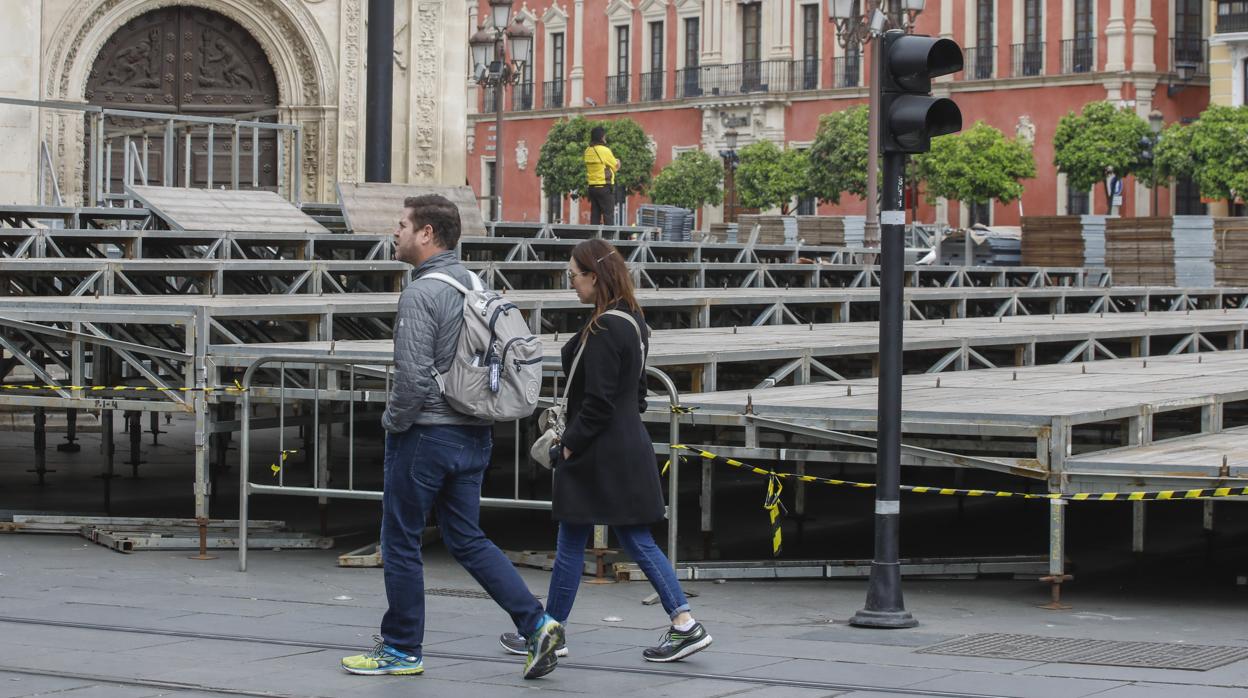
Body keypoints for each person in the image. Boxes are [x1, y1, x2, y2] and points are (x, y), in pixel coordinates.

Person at [341, 194, 564, 680]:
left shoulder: (422, 293)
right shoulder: (473, 283)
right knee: (466, 537)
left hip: (427, 435)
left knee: (400, 540)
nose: (394, 233)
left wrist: (393, 425)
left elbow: (413, 377)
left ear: (426, 234)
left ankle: (401, 647)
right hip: (474, 433)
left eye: (401, 225)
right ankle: (537, 622)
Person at [499, 238, 713, 663]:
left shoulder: (601, 329)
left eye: (573, 276)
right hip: (624, 444)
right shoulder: (634, 322)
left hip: (597, 450)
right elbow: (635, 397)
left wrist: (569, 448)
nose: (571, 284)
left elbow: (596, 403)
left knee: (583, 539)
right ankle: (676, 623)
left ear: (594, 277)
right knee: (622, 538)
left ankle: (556, 631)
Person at [584, 126, 620, 225]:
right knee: (608, 215)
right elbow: (616, 166)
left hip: (592, 187)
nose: (605, 139)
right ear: (601, 137)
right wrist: (618, 162)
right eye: (604, 136)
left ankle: (594, 239)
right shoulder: (604, 150)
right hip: (604, 187)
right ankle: (609, 239)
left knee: (595, 215)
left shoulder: (587, 151)